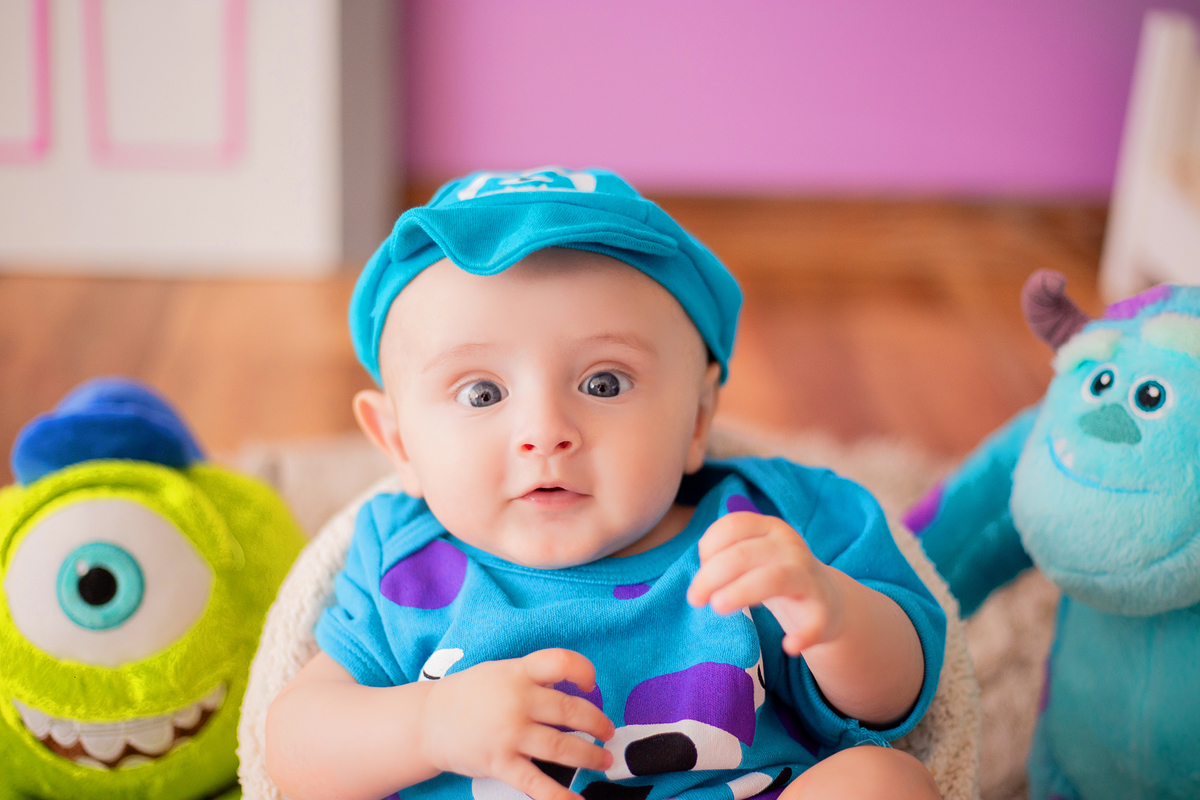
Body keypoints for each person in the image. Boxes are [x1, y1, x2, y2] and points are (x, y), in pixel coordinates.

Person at [265, 167, 946, 800]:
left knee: (884, 780)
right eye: (481, 393)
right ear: (397, 443)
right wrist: (426, 724)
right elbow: (293, 751)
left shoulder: (763, 528)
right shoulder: (403, 563)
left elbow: (897, 698)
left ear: (697, 418)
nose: (545, 431)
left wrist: (832, 613)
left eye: (604, 382)